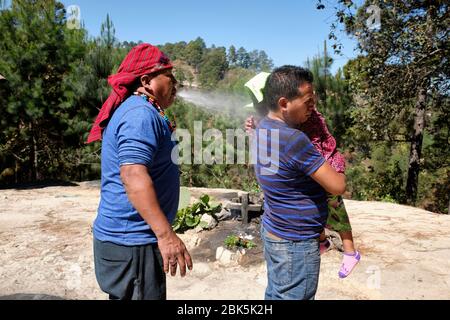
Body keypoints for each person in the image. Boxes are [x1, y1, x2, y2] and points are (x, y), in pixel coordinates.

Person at [87, 43, 192, 300]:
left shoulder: (144, 111)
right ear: (146, 80)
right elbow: (133, 175)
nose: (176, 83)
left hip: (132, 242)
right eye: (169, 75)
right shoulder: (140, 115)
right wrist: (166, 236)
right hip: (133, 244)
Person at [245, 71, 360, 279]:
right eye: (308, 101)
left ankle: (347, 249)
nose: (312, 105)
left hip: (278, 230)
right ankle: (328, 241)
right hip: (295, 240)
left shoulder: (286, 128)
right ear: (282, 103)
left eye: (313, 100)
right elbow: (338, 185)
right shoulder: (285, 134)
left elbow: (333, 181)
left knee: (334, 204)